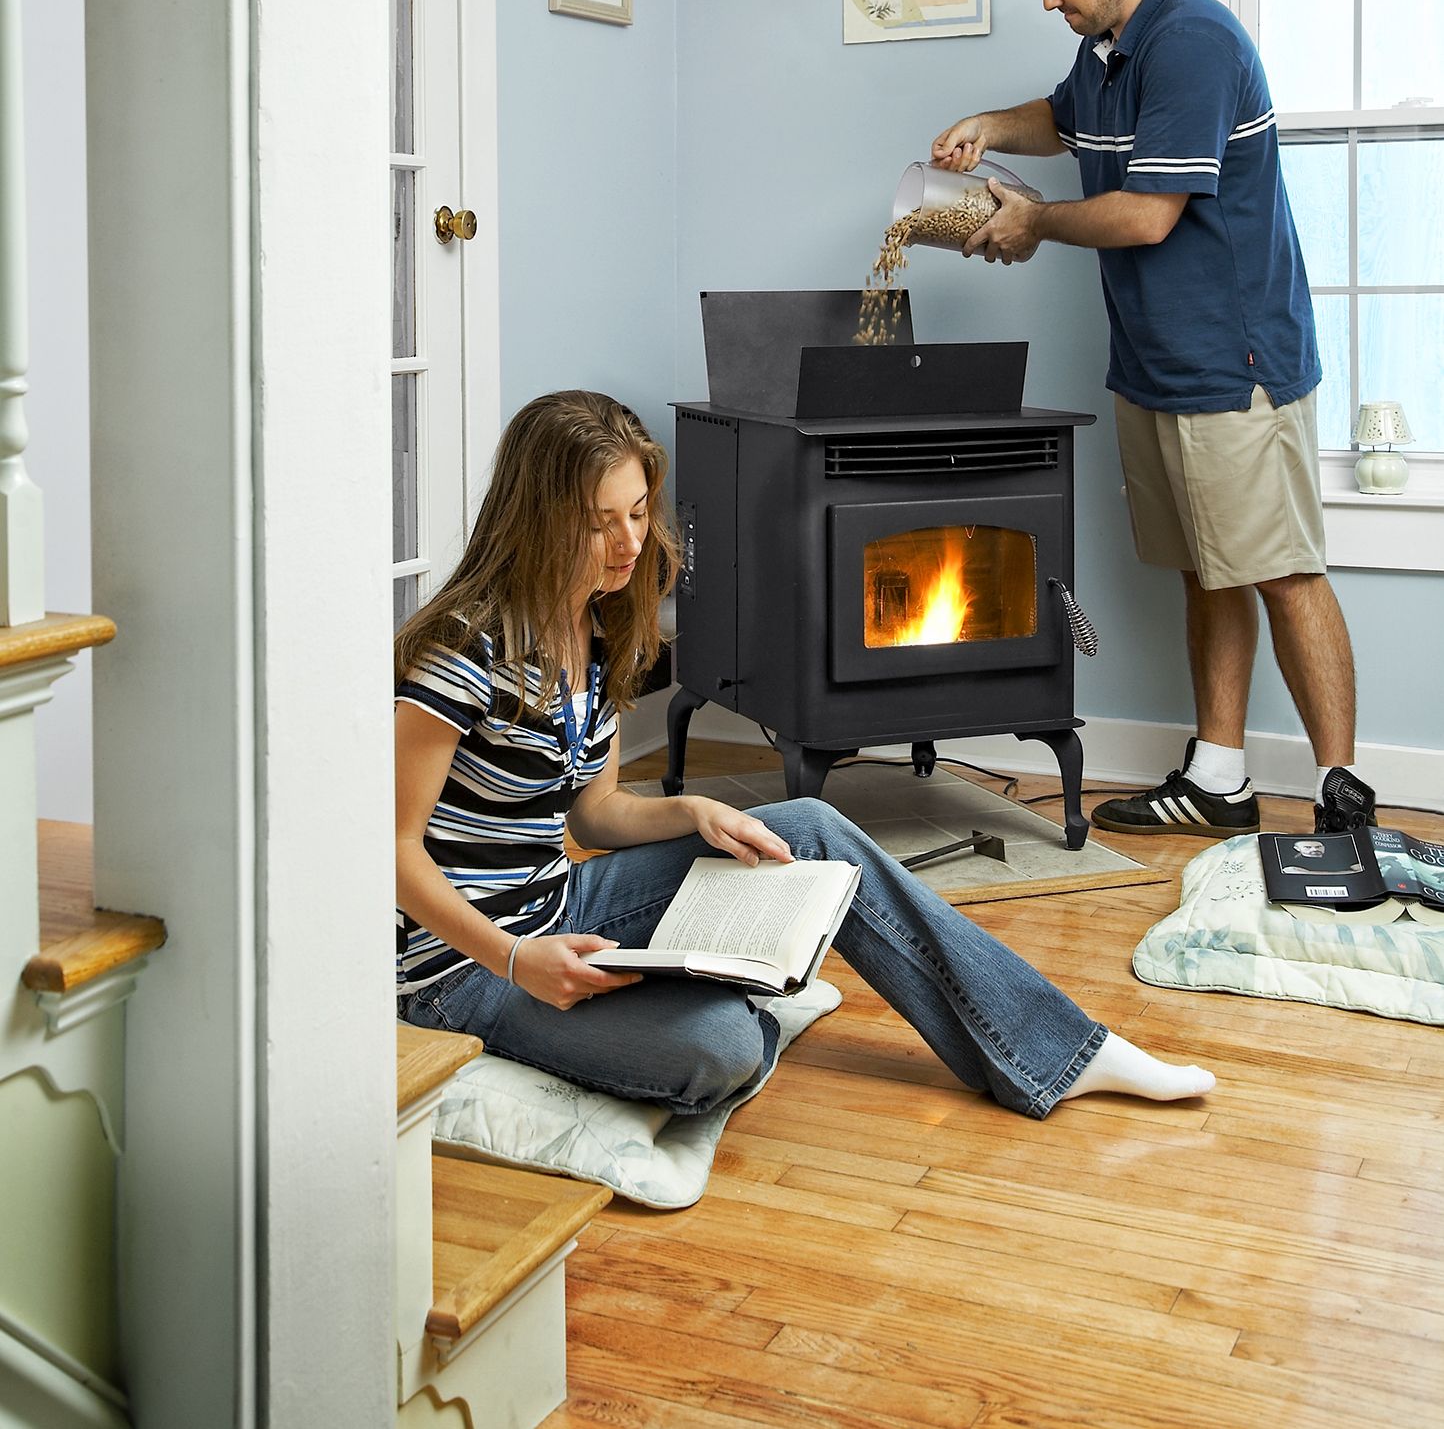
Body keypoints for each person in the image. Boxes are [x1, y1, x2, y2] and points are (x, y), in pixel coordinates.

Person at [395, 388, 1215, 1118]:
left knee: (809, 828)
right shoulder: (464, 648)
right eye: (599, 520)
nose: (628, 542)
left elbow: (596, 813)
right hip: (461, 970)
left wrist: (696, 810)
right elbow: (388, 850)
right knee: (724, 1050)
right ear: (538, 518)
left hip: (564, 906)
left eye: (639, 511)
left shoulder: (596, 621)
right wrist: (514, 959)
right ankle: (684, 996)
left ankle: (1063, 1051)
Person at [929, 0, 1373, 841]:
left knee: (1280, 568)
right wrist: (991, 127)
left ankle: (1344, 799)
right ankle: (1218, 776)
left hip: (1232, 361)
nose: (1049, 1)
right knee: (1206, 568)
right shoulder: (1107, 49)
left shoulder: (1191, 41)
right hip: (1154, 363)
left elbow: (1144, 212)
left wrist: (1035, 222)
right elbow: (1064, 115)